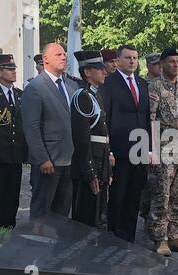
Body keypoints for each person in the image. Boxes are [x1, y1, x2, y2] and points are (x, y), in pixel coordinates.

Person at [147, 48, 178, 256]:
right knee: (162, 194)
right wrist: (152, 150)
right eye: (171, 62)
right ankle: (160, 238)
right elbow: (150, 120)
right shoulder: (155, 87)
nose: (176, 65)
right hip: (164, 149)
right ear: (163, 63)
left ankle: (175, 236)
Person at [22, 43, 79, 219]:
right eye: (58, 54)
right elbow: (31, 127)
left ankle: (59, 246)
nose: (63, 57)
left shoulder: (72, 85)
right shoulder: (36, 87)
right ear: (45, 60)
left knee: (62, 212)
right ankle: (38, 246)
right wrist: (42, 158)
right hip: (49, 161)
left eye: (64, 54)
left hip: (70, 159)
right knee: (42, 212)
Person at [99, 44, 150, 242]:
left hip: (139, 148)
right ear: (118, 60)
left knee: (135, 193)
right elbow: (106, 117)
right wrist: (108, 149)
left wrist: (150, 148)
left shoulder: (142, 83)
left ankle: (129, 235)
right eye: (128, 58)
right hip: (119, 149)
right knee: (118, 194)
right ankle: (114, 234)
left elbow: (146, 118)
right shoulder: (109, 83)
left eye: (135, 58)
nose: (132, 61)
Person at [0, 54, 27, 228]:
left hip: (15, 154)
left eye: (13, 69)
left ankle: (10, 227)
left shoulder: (19, 95)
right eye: (9, 69)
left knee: (12, 195)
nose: (13, 72)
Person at [70, 50, 113, 228]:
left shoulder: (94, 95)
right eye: (99, 68)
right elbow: (81, 139)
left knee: (97, 216)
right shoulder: (82, 97)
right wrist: (90, 172)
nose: (104, 72)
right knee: (85, 218)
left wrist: (107, 168)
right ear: (87, 72)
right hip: (89, 166)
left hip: (100, 162)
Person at [139, 52, 162, 226]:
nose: (159, 68)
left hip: (166, 140)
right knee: (148, 182)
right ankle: (146, 213)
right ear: (149, 66)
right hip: (147, 137)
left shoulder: (165, 85)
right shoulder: (142, 85)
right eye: (156, 65)